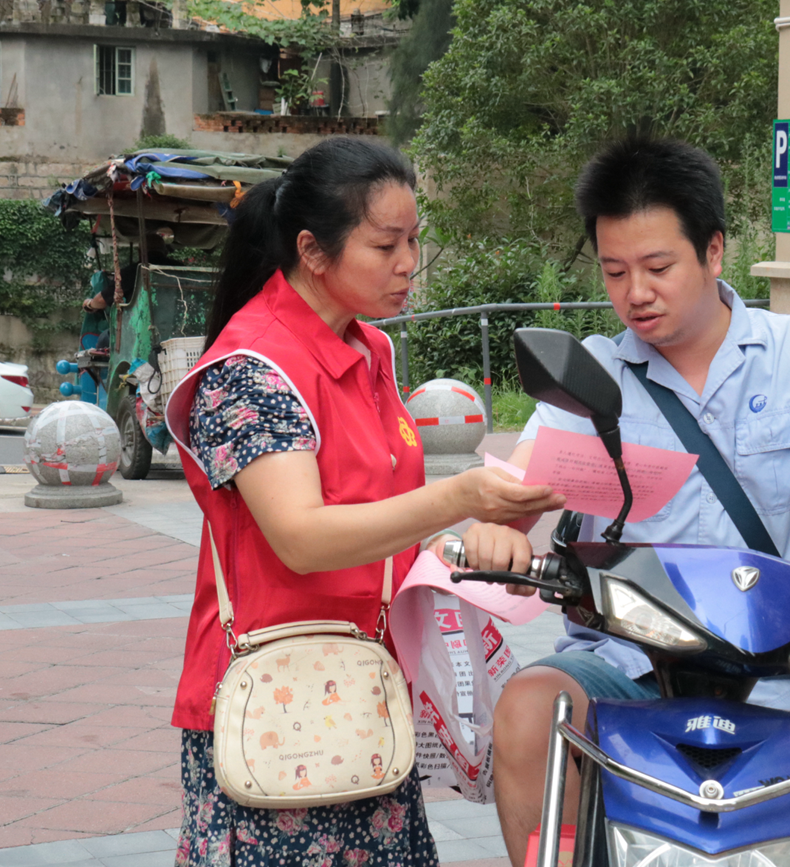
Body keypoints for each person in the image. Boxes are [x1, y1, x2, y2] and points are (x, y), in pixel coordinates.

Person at [487, 138, 790, 867]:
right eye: (615, 272)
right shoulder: (597, 372)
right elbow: (524, 481)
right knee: (525, 708)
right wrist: (499, 531)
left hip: (779, 680)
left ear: (713, 252)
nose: (634, 292)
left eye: (657, 267)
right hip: (625, 669)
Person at [162, 138, 563, 867]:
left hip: (366, 685)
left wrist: (472, 543)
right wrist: (459, 496)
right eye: (386, 245)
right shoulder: (252, 370)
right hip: (279, 696)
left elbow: (380, 517)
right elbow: (303, 538)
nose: (409, 262)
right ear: (314, 251)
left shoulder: (369, 350)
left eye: (414, 239)